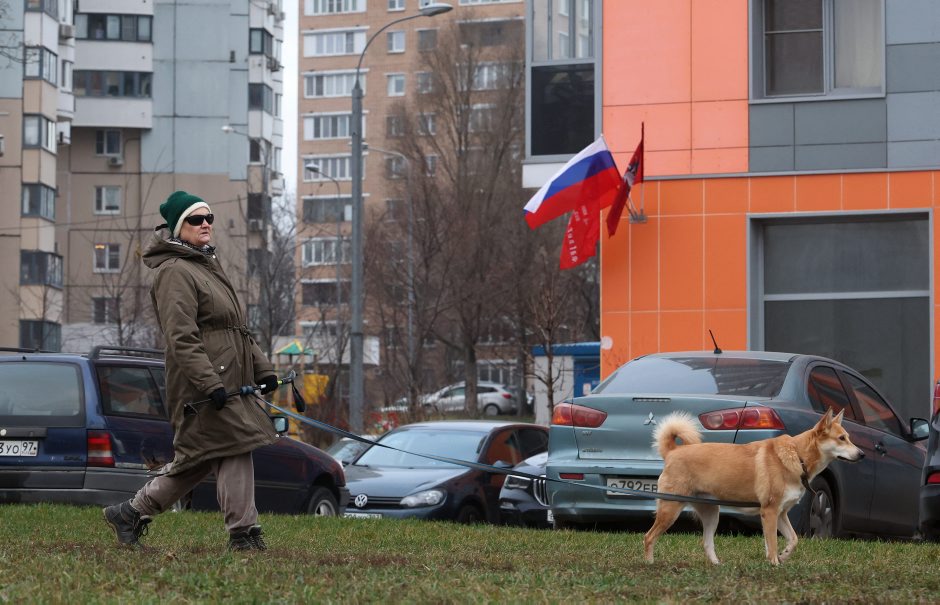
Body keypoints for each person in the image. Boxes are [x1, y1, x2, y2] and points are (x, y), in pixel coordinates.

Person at [102, 190, 280, 552]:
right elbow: (181, 337)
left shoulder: (205, 265)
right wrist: (209, 382)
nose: (205, 225)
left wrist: (263, 369)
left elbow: (236, 328)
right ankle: (243, 533)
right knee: (234, 445)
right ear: (178, 227)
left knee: (199, 459)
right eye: (196, 219)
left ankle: (130, 513)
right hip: (200, 385)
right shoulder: (174, 271)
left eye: (209, 218)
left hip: (228, 380)